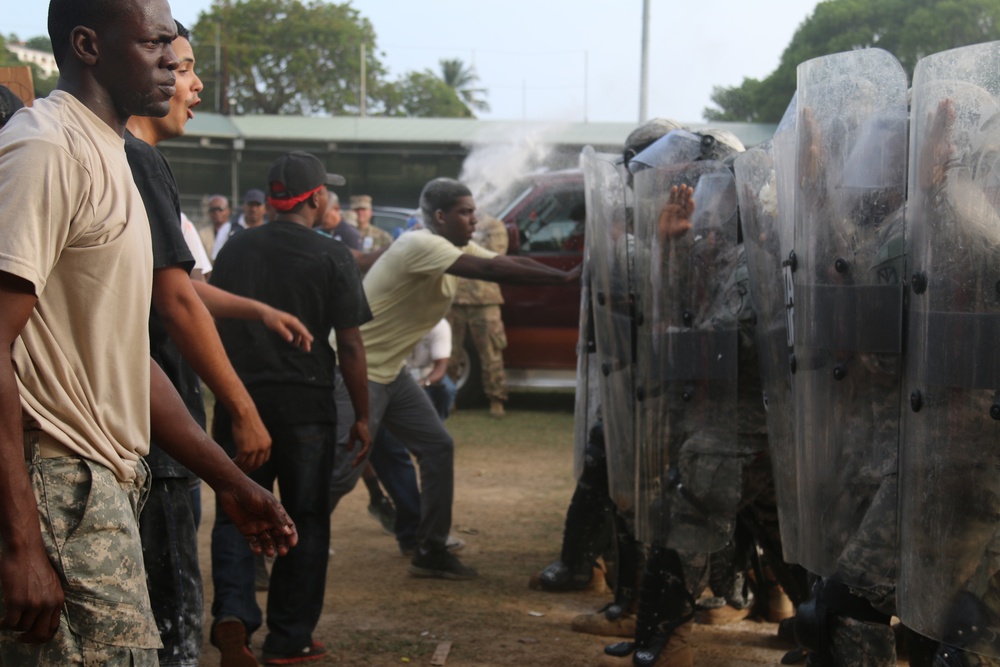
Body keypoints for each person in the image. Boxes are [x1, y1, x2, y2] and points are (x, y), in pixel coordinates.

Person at [0, 1, 296, 664]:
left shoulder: (115, 156)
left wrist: (231, 480)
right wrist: (22, 540)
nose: (172, 59)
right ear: (88, 45)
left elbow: (124, 357)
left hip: (103, 483)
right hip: (57, 487)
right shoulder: (46, 147)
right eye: (155, 41)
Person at [124, 22, 314, 667]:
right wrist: (241, 405)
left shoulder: (125, 161)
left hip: (151, 407)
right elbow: (173, 301)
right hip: (154, 419)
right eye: (180, 68)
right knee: (168, 599)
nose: (195, 83)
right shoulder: (134, 159)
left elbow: (186, 285)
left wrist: (259, 310)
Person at [329, 177, 580, 581]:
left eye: (473, 210)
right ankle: (277, 540)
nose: (474, 219)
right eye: (465, 212)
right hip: (356, 369)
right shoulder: (420, 244)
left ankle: (430, 550)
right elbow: (491, 269)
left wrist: (565, 275)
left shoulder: (450, 244)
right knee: (341, 471)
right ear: (441, 216)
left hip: (390, 370)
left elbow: (504, 262)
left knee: (437, 447)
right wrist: (565, 278)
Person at [209, 151, 372, 666]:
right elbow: (349, 344)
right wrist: (364, 415)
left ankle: (233, 614)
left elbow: (207, 315)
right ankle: (290, 637)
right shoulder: (331, 255)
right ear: (318, 198)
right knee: (305, 518)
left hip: (240, 403)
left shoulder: (234, 246)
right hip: (306, 406)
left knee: (237, 513)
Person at [448, 213, 510, 418]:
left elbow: (496, 255)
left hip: (484, 298)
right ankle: (448, 398)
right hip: (454, 298)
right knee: (449, 352)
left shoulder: (493, 226)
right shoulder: (451, 223)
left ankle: (496, 399)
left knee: (491, 350)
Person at [213, 188, 265, 259]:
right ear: (244, 206)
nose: (254, 209)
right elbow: (216, 258)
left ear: (265, 208)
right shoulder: (228, 229)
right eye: (251, 205)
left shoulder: (270, 231)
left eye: (257, 205)